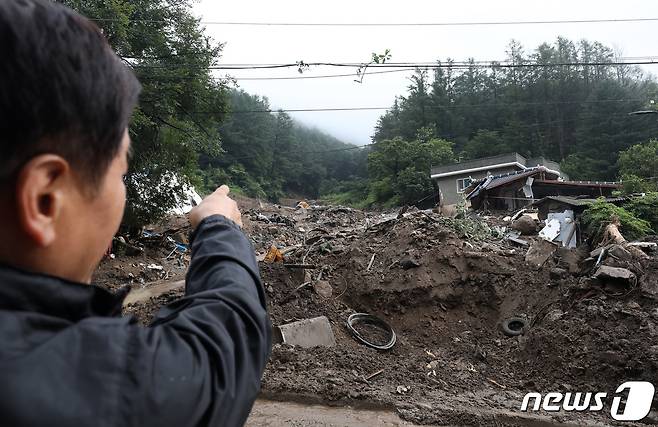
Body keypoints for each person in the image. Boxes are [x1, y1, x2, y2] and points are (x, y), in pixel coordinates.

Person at [0, 1, 271, 426]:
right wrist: (219, 227)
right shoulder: (71, 385)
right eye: (121, 171)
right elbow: (217, 356)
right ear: (45, 199)